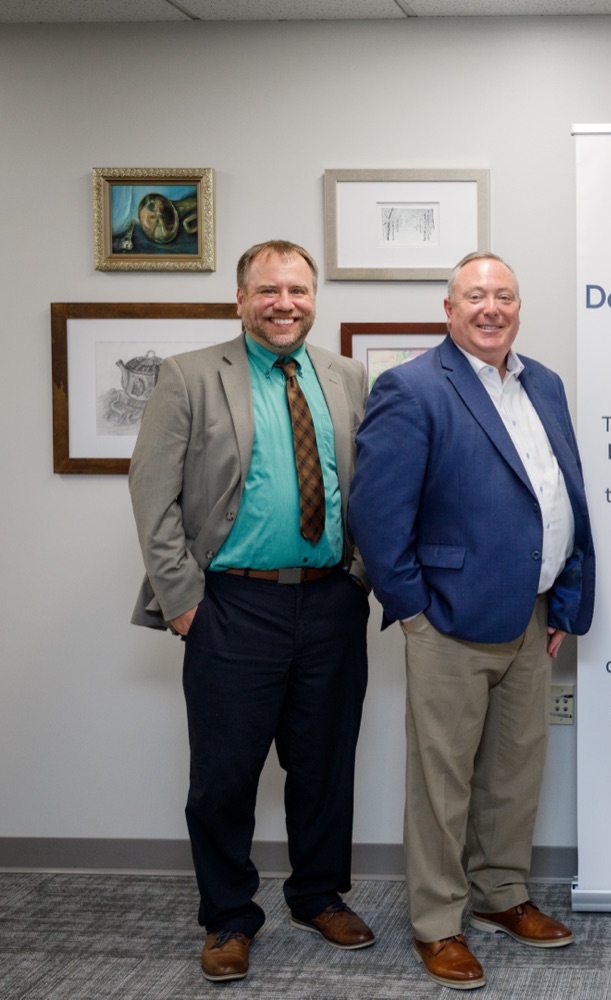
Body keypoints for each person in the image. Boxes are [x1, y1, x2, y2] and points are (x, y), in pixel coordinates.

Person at [128, 239, 375, 982]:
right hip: (232, 604)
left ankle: (317, 895)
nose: (284, 304)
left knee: (324, 764)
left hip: (330, 602)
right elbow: (152, 495)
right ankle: (229, 917)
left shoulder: (347, 376)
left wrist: (359, 577)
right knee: (225, 774)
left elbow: (369, 487)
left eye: (297, 290)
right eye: (268, 291)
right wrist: (184, 604)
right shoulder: (190, 376)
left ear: (313, 297)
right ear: (240, 299)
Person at [350, 251, 594, 991]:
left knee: (515, 772)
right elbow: (376, 513)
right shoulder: (414, 387)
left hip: (532, 616)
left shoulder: (542, 383)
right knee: (443, 780)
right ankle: (437, 923)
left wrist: (564, 598)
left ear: (518, 308)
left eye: (505, 297)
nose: (492, 309)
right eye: (477, 297)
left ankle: (500, 894)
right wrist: (413, 611)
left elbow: (561, 494)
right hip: (447, 620)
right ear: (449, 310)